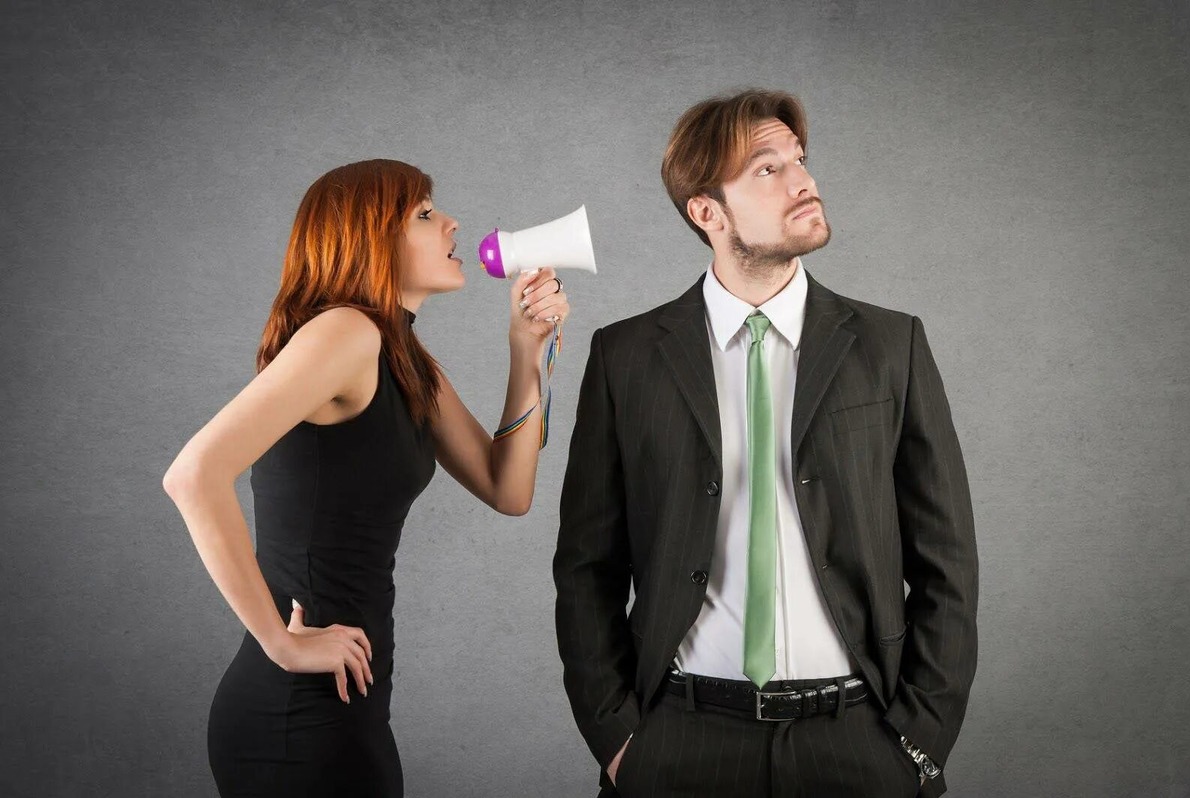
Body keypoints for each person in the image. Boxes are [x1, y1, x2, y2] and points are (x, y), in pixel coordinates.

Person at [554, 89, 977, 797]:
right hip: (677, 743)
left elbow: (948, 560)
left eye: (800, 160)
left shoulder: (890, 345)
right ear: (707, 212)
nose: (803, 181)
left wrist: (918, 742)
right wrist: (619, 739)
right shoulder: (625, 357)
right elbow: (586, 566)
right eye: (768, 168)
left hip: (861, 741)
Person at [163, 159, 570, 797]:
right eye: (425, 214)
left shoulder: (406, 360)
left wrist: (526, 348)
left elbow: (508, 489)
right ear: (369, 239)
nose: (452, 223)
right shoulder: (345, 332)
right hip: (295, 711)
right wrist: (281, 643)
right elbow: (193, 475)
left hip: (351, 703)